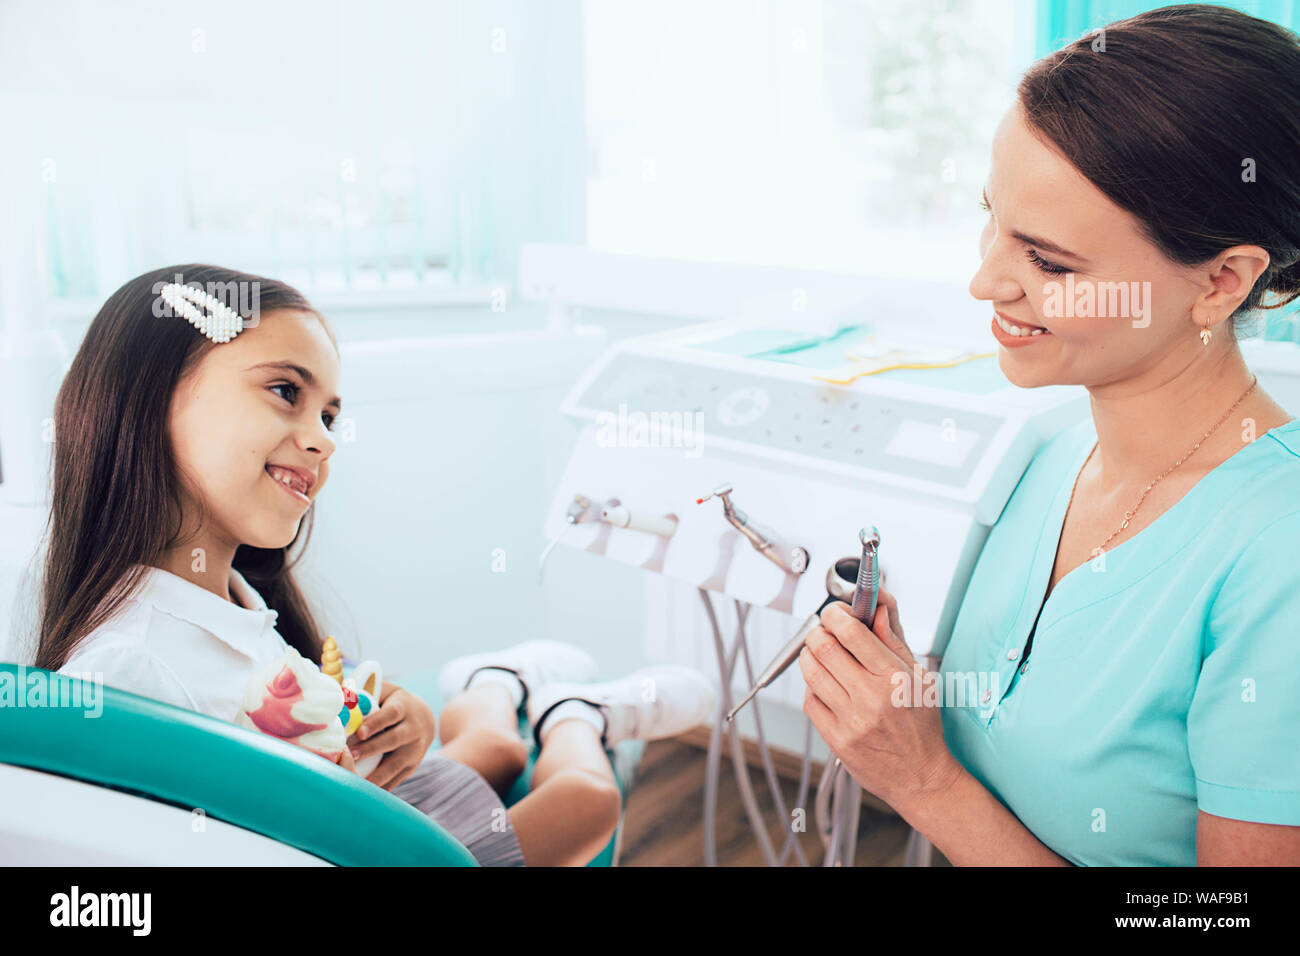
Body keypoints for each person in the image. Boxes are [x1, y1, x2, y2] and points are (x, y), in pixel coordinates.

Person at [797, 4, 1300, 865]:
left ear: (1221, 281)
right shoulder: (1051, 447)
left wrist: (923, 782)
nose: (985, 279)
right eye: (992, 220)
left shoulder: (1277, 557)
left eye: (1050, 262)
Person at [36, 263, 715, 867]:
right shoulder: (125, 670)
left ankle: (495, 682)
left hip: (356, 816)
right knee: (588, 802)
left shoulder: (231, 599)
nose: (323, 441)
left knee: (501, 752)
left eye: (330, 416)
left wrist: (393, 728)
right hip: (358, 846)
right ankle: (579, 712)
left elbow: (293, 761)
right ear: (150, 398)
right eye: (284, 391)